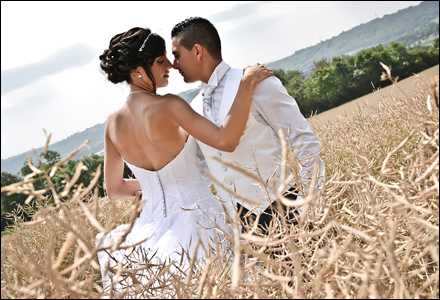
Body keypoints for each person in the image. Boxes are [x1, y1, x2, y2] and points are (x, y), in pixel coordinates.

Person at [94, 27, 273, 296]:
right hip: (199, 219)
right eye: (160, 61)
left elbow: (115, 189)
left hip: (147, 234)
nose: (170, 65)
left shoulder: (112, 124)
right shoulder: (170, 105)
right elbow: (225, 140)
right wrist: (246, 84)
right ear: (137, 71)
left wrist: (153, 187)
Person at [171, 17, 325, 236]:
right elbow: (203, 168)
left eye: (177, 56)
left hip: (285, 210)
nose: (174, 65)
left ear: (197, 51)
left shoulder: (259, 83)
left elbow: (304, 141)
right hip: (240, 229)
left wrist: (312, 202)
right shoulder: (193, 107)